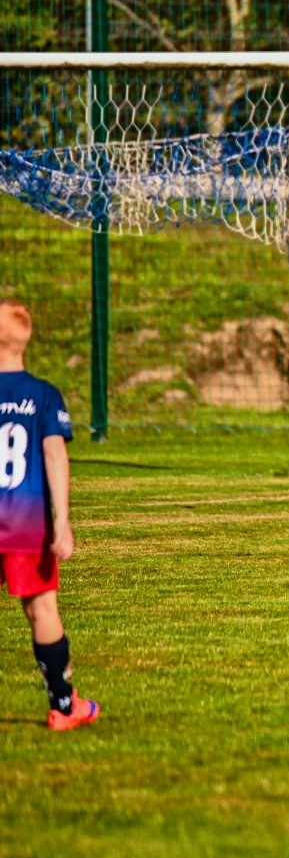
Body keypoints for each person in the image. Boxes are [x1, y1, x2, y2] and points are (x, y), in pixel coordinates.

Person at [0, 299, 98, 730]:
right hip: (26, 526)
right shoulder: (43, 395)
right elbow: (55, 454)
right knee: (42, 610)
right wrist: (63, 521)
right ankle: (63, 706)